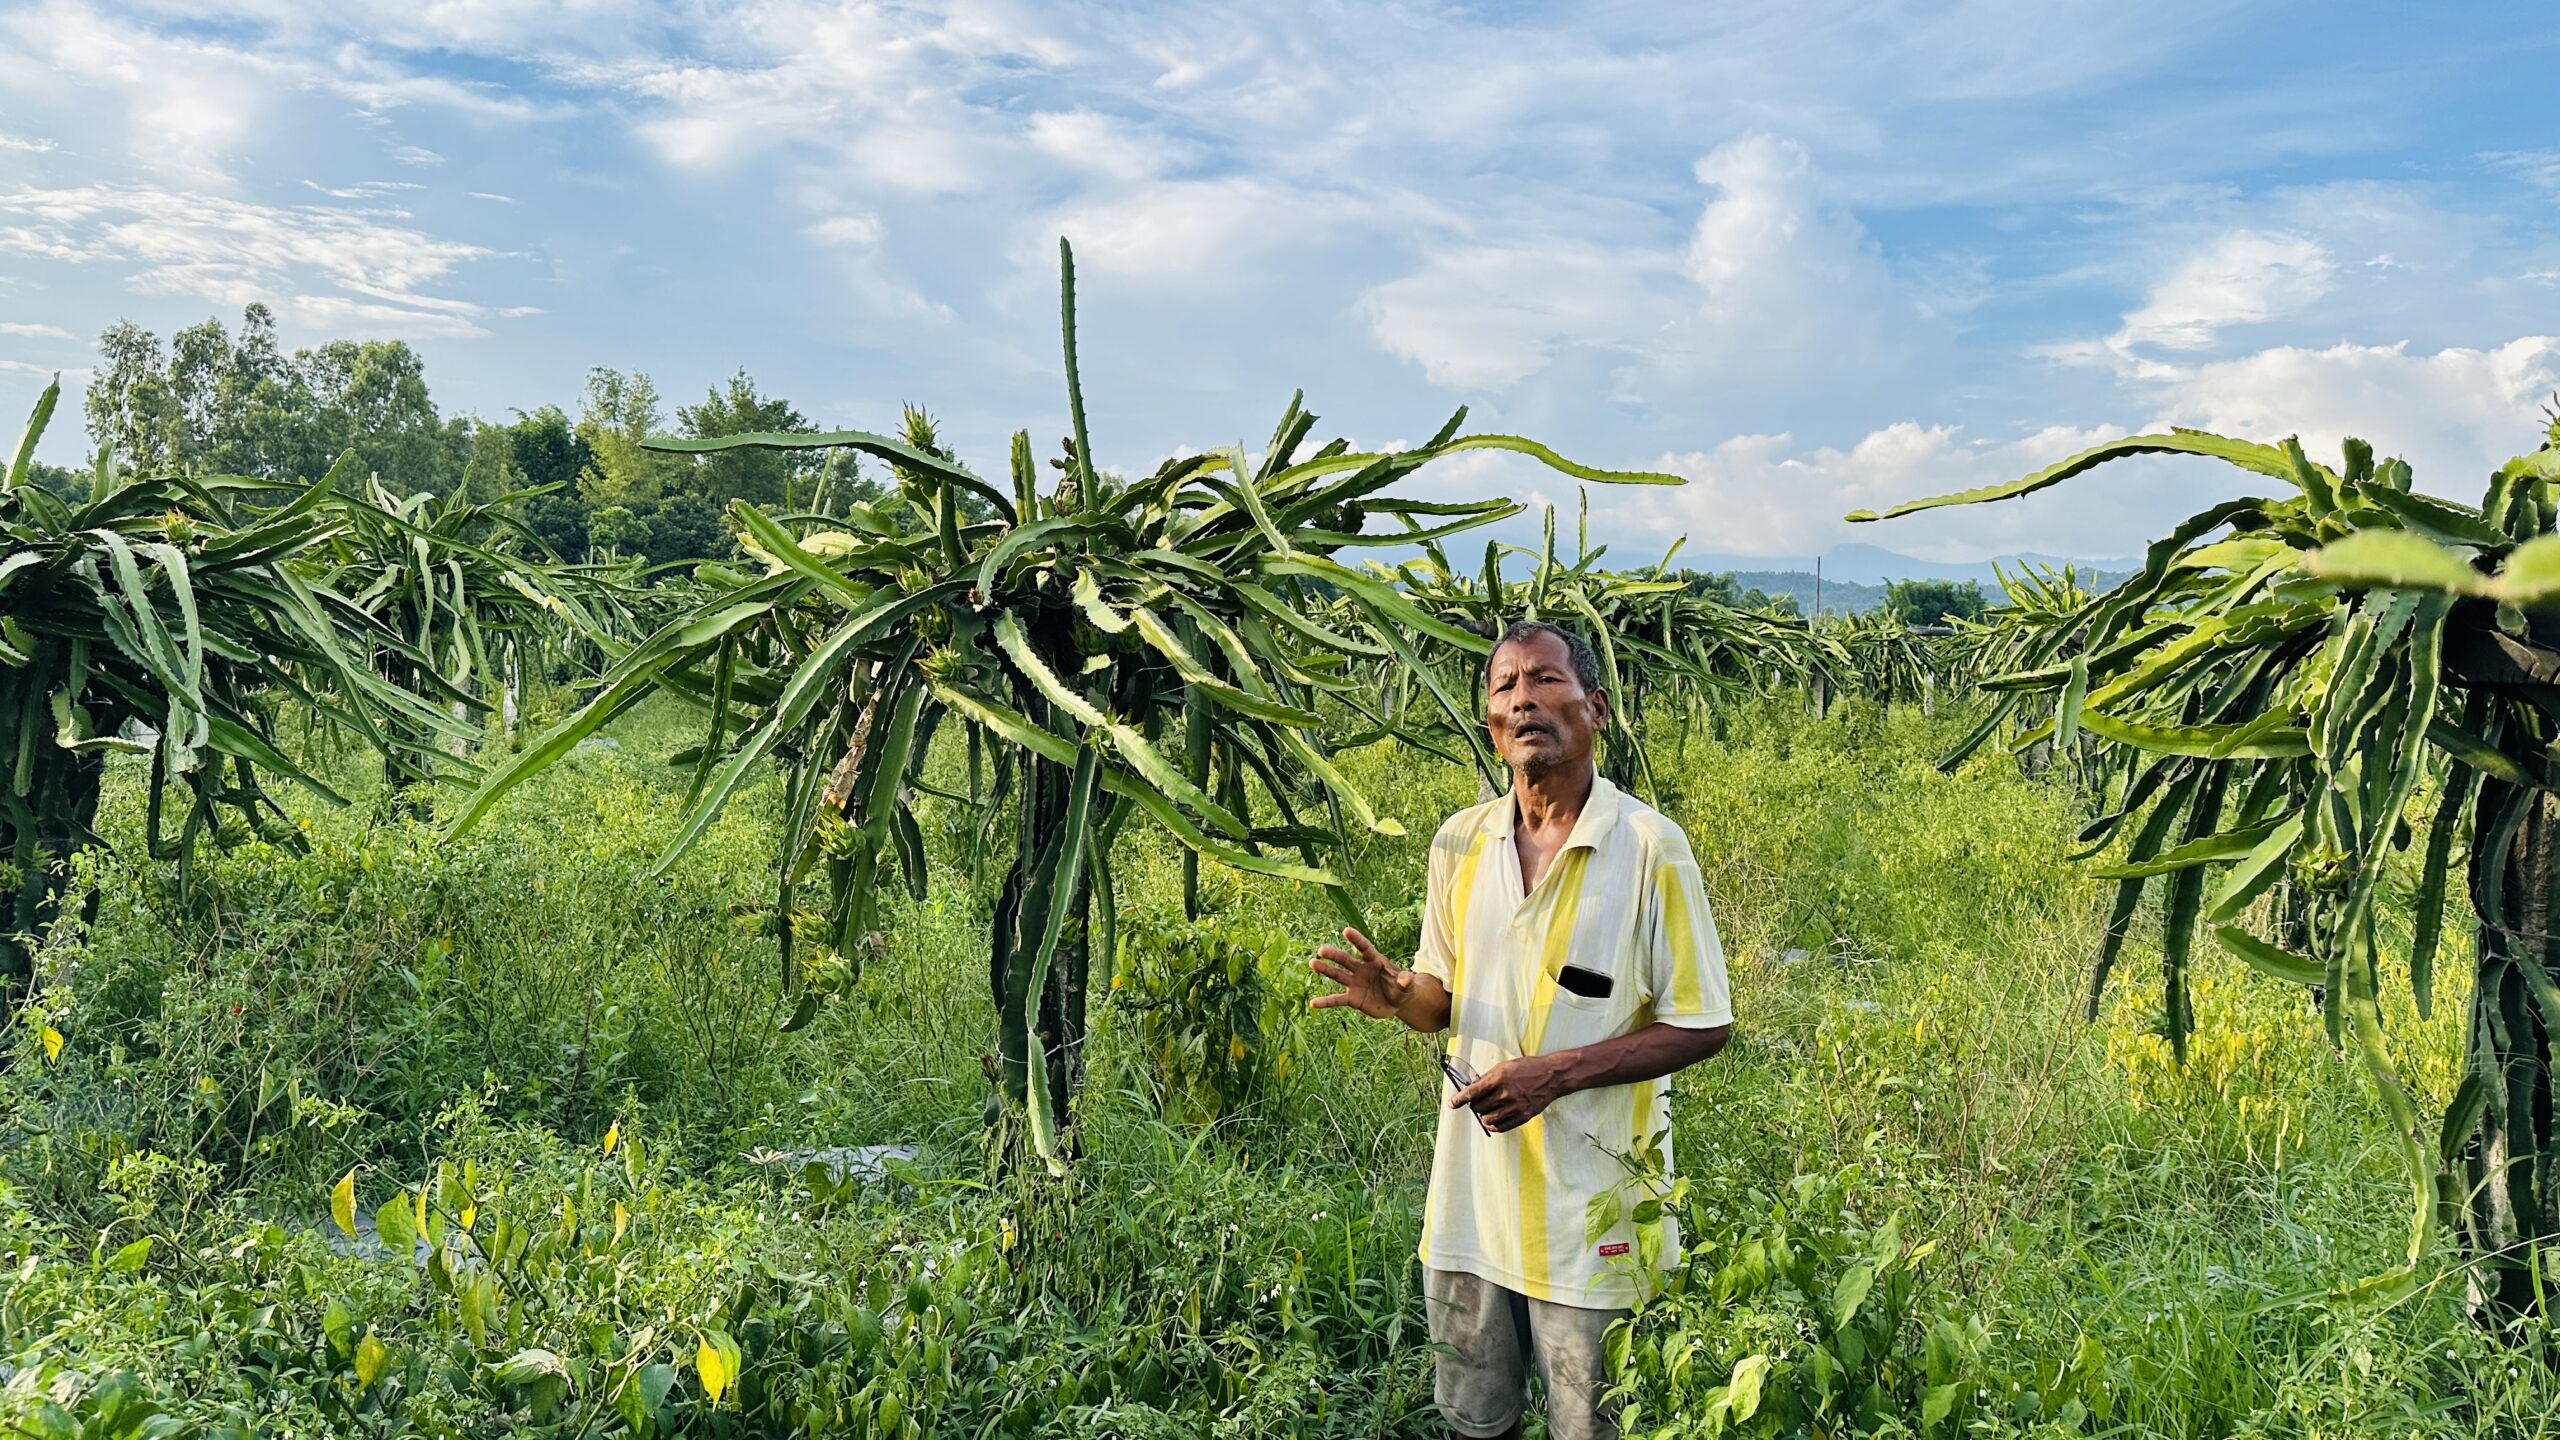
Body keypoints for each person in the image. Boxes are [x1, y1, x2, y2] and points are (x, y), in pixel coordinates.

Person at [1310, 620, 1734, 1440]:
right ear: (1489, 722)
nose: (1523, 700)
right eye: (1503, 687)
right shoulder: (1459, 841)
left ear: (1596, 707)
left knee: (1596, 1430)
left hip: (1594, 1226)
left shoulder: (1649, 849)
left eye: (1544, 679)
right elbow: (1444, 1000)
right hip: (1469, 1213)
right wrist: (1400, 996)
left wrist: (1556, 1073)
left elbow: (1704, 1024)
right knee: (1477, 1424)